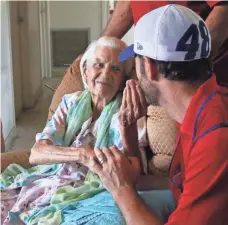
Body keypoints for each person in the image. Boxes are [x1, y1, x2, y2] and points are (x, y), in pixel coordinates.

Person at [86, 5, 228, 225]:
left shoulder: (215, 138)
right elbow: (186, 187)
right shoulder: (203, 108)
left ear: (150, 67)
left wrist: (122, 189)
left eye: (136, 62)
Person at [0, 37, 149, 225]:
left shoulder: (128, 110)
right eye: (99, 65)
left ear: (122, 80)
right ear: (85, 71)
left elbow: (133, 169)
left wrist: (128, 125)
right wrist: (81, 154)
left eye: (116, 68)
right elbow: (37, 153)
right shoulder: (71, 102)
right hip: (49, 179)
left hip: (93, 190)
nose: (106, 73)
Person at [100, 0, 228, 86]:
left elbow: (224, 9)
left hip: (196, 78)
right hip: (149, 68)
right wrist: (97, 49)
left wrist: (185, 71)